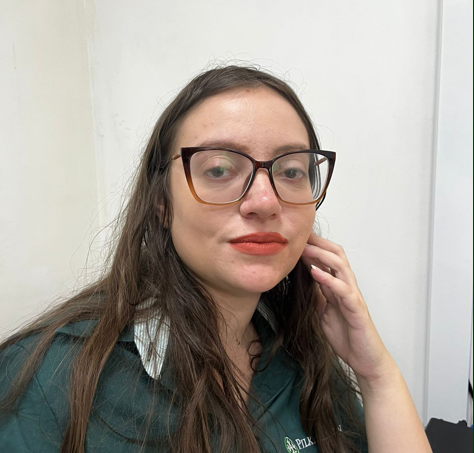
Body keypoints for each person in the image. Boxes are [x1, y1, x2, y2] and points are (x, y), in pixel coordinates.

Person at [0, 65, 432, 453]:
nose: (265, 201)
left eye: (291, 171)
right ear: (162, 204)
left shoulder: (301, 349)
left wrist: (377, 375)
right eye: (220, 169)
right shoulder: (49, 377)